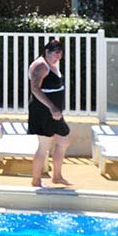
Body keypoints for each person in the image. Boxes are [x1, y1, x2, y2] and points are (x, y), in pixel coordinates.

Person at [28, 38, 72, 187]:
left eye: (60, 54)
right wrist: (52, 107)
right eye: (56, 53)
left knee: (63, 141)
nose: (59, 57)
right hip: (43, 112)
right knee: (44, 146)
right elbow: (34, 89)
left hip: (55, 113)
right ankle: (36, 180)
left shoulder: (52, 64)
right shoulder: (41, 66)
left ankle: (57, 176)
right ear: (47, 52)